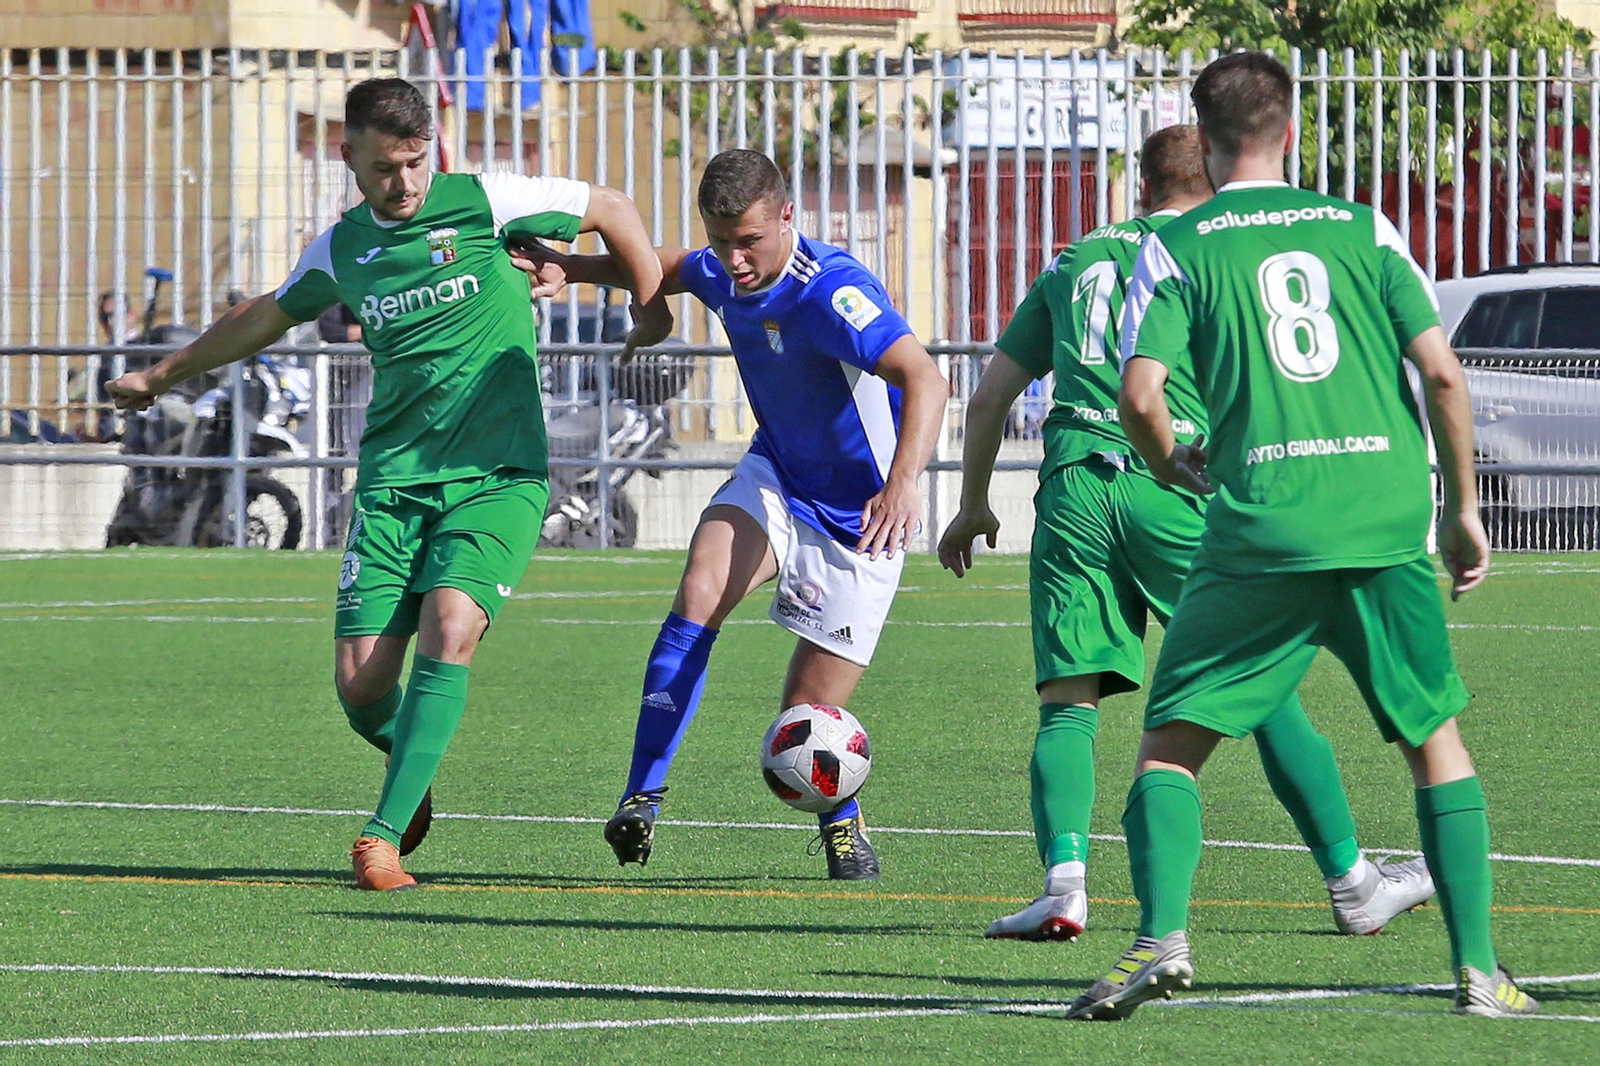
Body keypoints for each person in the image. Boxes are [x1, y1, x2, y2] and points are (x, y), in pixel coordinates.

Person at [104, 77, 671, 891]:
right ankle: (413, 768)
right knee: (361, 687)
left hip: (498, 475)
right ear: (349, 161)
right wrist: (162, 372)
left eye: (414, 162)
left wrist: (649, 311)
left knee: (452, 626)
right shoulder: (341, 250)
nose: (403, 183)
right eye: (384, 169)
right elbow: (264, 315)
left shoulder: (491, 200)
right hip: (394, 484)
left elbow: (614, 206)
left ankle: (380, 838)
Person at [1067, 52, 1533, 1020]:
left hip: (1260, 527)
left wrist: (1171, 462)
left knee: (1167, 749)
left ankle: (1160, 937)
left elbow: (1141, 397)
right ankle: (1479, 971)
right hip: (1380, 516)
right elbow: (1443, 376)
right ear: (1290, 127)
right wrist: (1462, 510)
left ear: (1202, 133)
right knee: (1432, 741)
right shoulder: (1365, 228)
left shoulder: (1181, 242)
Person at [938, 124, 1433, 944]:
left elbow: (990, 395)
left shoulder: (1075, 257)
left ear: (1140, 184)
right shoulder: (1211, 249)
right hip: (1173, 479)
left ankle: (1063, 886)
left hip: (1071, 486)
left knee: (1068, 702)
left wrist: (974, 504)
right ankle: (1353, 882)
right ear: (1209, 173)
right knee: (1262, 687)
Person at [517, 149, 948, 880]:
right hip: (776, 475)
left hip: (861, 515)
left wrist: (904, 483)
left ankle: (841, 820)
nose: (734, 260)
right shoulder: (721, 266)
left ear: (787, 217)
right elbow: (668, 267)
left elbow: (926, 377)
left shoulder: (833, 294)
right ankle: (641, 797)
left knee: (806, 714)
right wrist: (579, 269)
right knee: (700, 586)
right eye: (722, 241)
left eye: (748, 240)